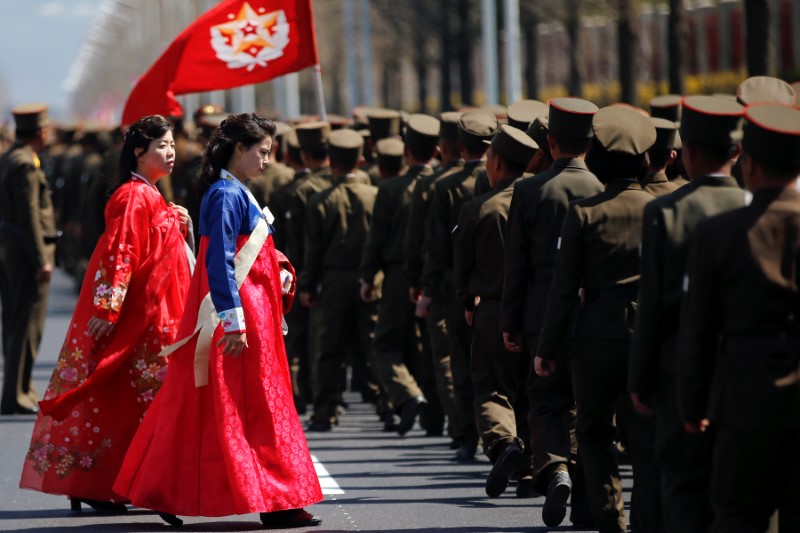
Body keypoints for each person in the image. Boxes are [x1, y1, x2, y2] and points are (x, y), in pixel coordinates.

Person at [114, 113, 322, 529]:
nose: (266, 161)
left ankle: (172, 488)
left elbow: (247, 253)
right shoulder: (227, 195)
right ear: (239, 149)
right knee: (254, 406)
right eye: (261, 153)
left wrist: (277, 270)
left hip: (251, 311)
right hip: (239, 316)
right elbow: (220, 261)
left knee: (216, 406)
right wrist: (233, 319)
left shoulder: (233, 191)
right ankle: (277, 500)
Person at [18, 114, 192, 512]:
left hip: (154, 312)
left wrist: (179, 221)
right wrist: (108, 308)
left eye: (171, 145)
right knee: (142, 398)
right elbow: (120, 252)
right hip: (138, 317)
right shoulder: (136, 195)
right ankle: (108, 482)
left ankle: (109, 482)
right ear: (138, 153)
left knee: (129, 398)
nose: (170, 153)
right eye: (161, 146)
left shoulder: (150, 193)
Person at [534, 106, 661, 532]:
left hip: (595, 335)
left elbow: (564, 290)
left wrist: (548, 350)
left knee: (594, 432)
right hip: (650, 331)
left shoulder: (584, 213)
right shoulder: (663, 209)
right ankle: (648, 517)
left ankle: (611, 519)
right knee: (645, 433)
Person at [678, 103, 800, 532]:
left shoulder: (720, 233)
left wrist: (692, 406)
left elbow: (698, 329)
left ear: (750, 165)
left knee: (738, 516)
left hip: (742, 399)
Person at [627, 95, 747, 533]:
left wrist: (639, 379)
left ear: (688, 152)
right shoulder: (755, 205)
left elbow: (652, 305)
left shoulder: (665, 212)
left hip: (676, 367)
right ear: (736, 151)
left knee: (681, 484)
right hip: (742, 366)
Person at [501, 97, 603, 527]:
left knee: (543, 398)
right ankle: (581, 490)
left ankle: (554, 465)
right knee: (584, 403)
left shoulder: (528, 190)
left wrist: (510, 321)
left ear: (549, 141)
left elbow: (516, 264)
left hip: (540, 304)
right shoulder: (603, 187)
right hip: (591, 307)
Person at [453, 124, 537, 498]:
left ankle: (505, 445)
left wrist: (464, 302)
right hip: (536, 308)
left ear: (498, 162)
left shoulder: (478, 208)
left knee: (490, 387)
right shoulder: (541, 198)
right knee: (533, 390)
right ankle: (539, 468)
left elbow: (463, 268)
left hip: (491, 308)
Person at [300, 129, 378, 431]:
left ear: (330, 159)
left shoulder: (319, 200)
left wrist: (308, 285)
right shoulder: (374, 195)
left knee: (329, 350)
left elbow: (313, 250)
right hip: (367, 279)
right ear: (360, 160)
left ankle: (325, 412)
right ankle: (388, 404)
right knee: (370, 345)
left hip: (331, 282)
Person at [0, 103, 57, 415]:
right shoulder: (25, 164)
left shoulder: (11, 157)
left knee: (15, 321)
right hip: (26, 254)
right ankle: (17, 395)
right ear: (41, 132)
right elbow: (29, 216)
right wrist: (41, 260)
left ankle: (21, 389)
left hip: (11, 250)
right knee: (26, 325)